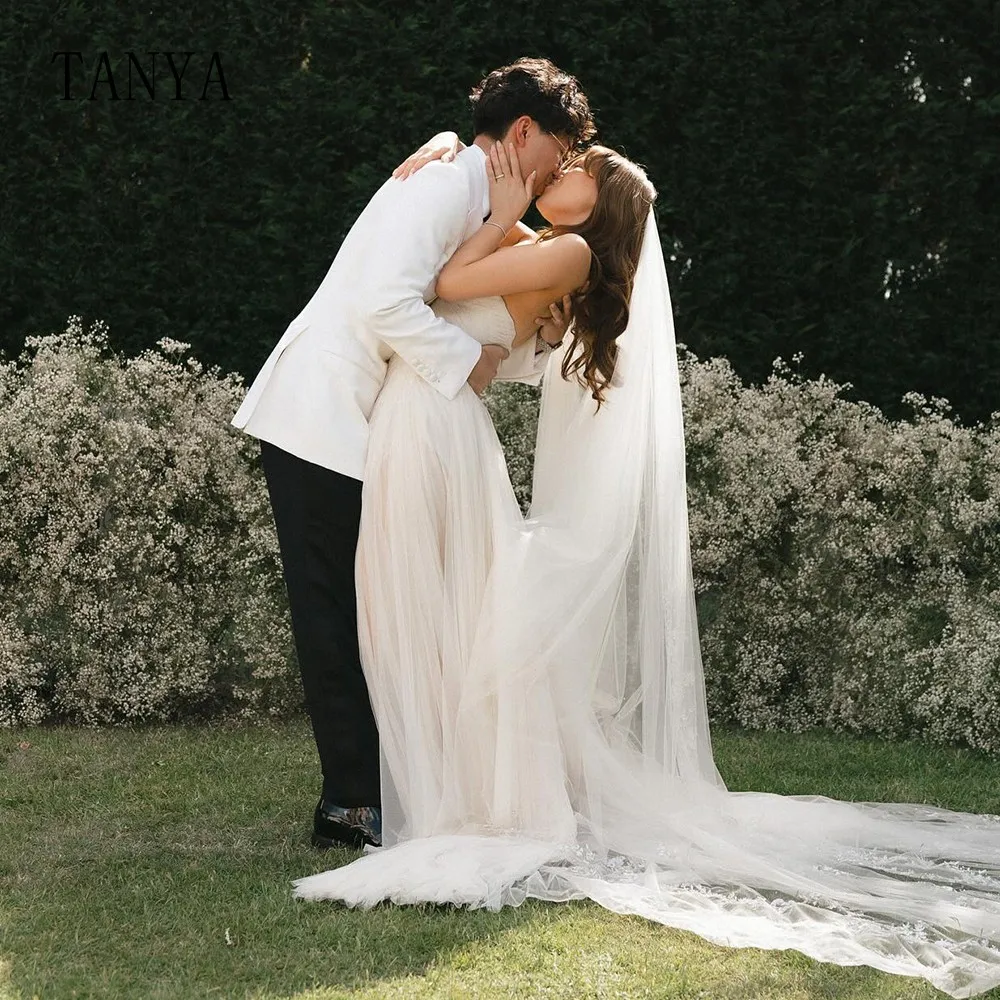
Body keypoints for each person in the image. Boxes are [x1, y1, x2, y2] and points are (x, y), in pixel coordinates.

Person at [292, 128, 1000, 998]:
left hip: (432, 425)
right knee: (430, 610)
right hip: (431, 421)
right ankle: (414, 785)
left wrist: (503, 213)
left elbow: (441, 283)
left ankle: (440, 793)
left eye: (580, 172)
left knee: (434, 611)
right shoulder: (560, 248)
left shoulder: (571, 250)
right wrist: (450, 153)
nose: (563, 171)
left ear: (605, 202)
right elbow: (476, 298)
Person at [230, 58, 596, 850]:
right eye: (556, 153)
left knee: (375, 608)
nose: (555, 172)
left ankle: (384, 788)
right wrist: (470, 367)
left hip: (367, 421)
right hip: (319, 412)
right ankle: (352, 805)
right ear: (523, 132)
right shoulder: (445, 185)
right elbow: (382, 301)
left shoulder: (476, 195)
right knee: (331, 615)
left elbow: (472, 305)